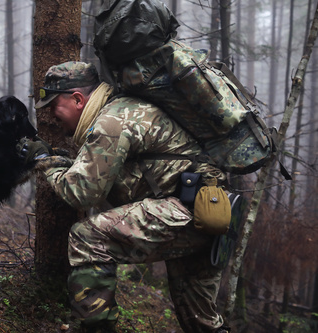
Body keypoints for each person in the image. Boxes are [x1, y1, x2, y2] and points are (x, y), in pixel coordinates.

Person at [19, 61, 232, 333]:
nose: (49, 115)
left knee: (87, 237)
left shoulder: (112, 120)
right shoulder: (123, 110)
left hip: (183, 213)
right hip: (210, 213)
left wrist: (45, 162)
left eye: (52, 106)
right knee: (201, 323)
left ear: (77, 99)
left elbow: (81, 193)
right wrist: (59, 159)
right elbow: (101, 173)